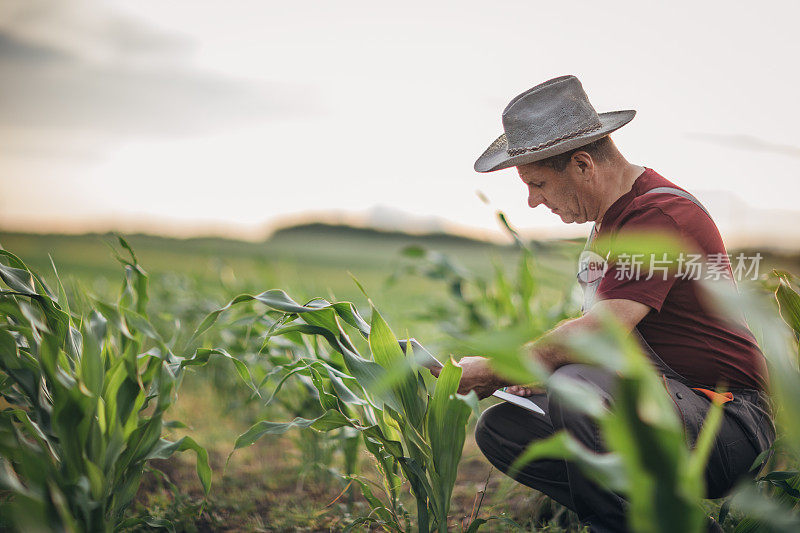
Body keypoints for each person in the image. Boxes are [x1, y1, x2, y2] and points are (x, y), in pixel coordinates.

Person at [432, 75, 775, 532]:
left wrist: (493, 369)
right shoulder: (611, 225)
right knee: (503, 431)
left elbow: (600, 331)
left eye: (537, 183)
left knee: (579, 387)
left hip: (727, 423)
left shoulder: (657, 216)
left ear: (582, 164)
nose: (533, 202)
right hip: (670, 408)